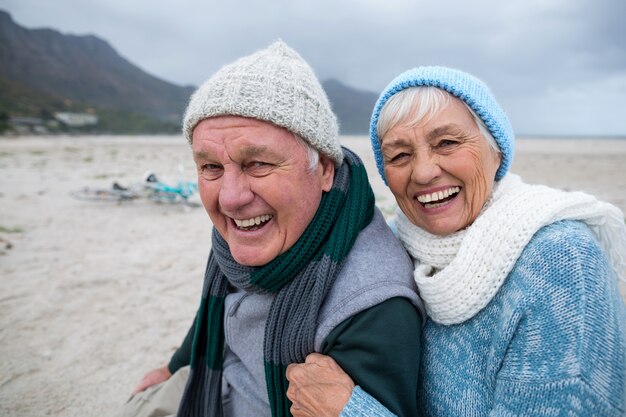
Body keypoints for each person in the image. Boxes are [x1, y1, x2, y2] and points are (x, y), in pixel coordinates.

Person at [285, 66, 626, 416]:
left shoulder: (560, 259)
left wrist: (349, 411)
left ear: (497, 151)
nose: (423, 172)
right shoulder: (391, 247)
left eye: (447, 143)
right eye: (400, 155)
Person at [118, 41, 425, 417]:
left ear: (325, 169)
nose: (230, 198)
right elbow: (215, 309)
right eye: (211, 167)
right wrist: (176, 365)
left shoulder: (371, 307)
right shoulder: (266, 229)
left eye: (258, 163)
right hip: (210, 385)